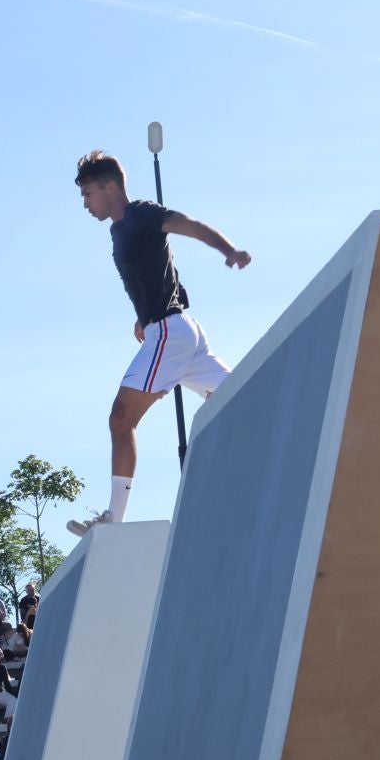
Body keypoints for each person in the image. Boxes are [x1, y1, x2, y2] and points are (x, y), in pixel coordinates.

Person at [67, 149, 249, 535]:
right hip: (177, 330)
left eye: (88, 194)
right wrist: (144, 315)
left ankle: (114, 521)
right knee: (242, 397)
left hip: (170, 332)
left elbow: (190, 226)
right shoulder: (119, 231)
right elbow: (160, 270)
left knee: (121, 418)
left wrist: (228, 250)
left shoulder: (142, 214)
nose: (85, 204)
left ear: (110, 188)